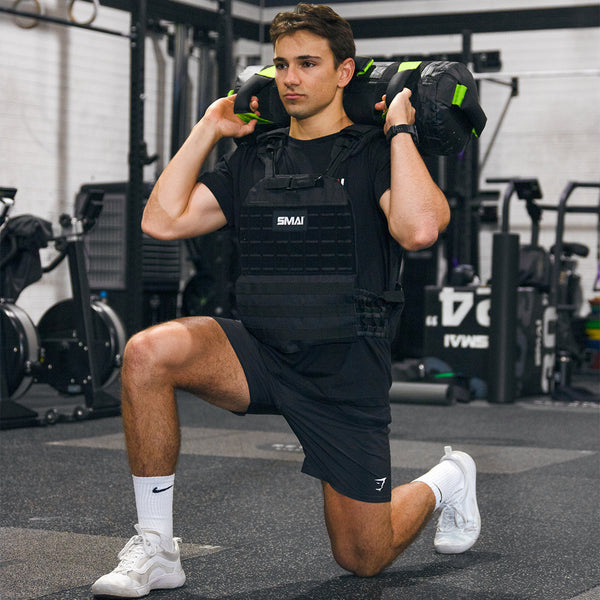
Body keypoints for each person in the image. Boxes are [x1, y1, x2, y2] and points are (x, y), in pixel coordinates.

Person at [91, 4, 480, 597]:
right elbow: (162, 221)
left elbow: (419, 229)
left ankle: (447, 478)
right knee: (148, 354)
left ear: (345, 72)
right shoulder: (256, 155)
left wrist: (400, 128)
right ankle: (157, 547)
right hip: (263, 351)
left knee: (363, 558)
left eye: (307, 63)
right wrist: (210, 128)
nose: (290, 78)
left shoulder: (375, 152)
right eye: (281, 65)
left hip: (345, 370)